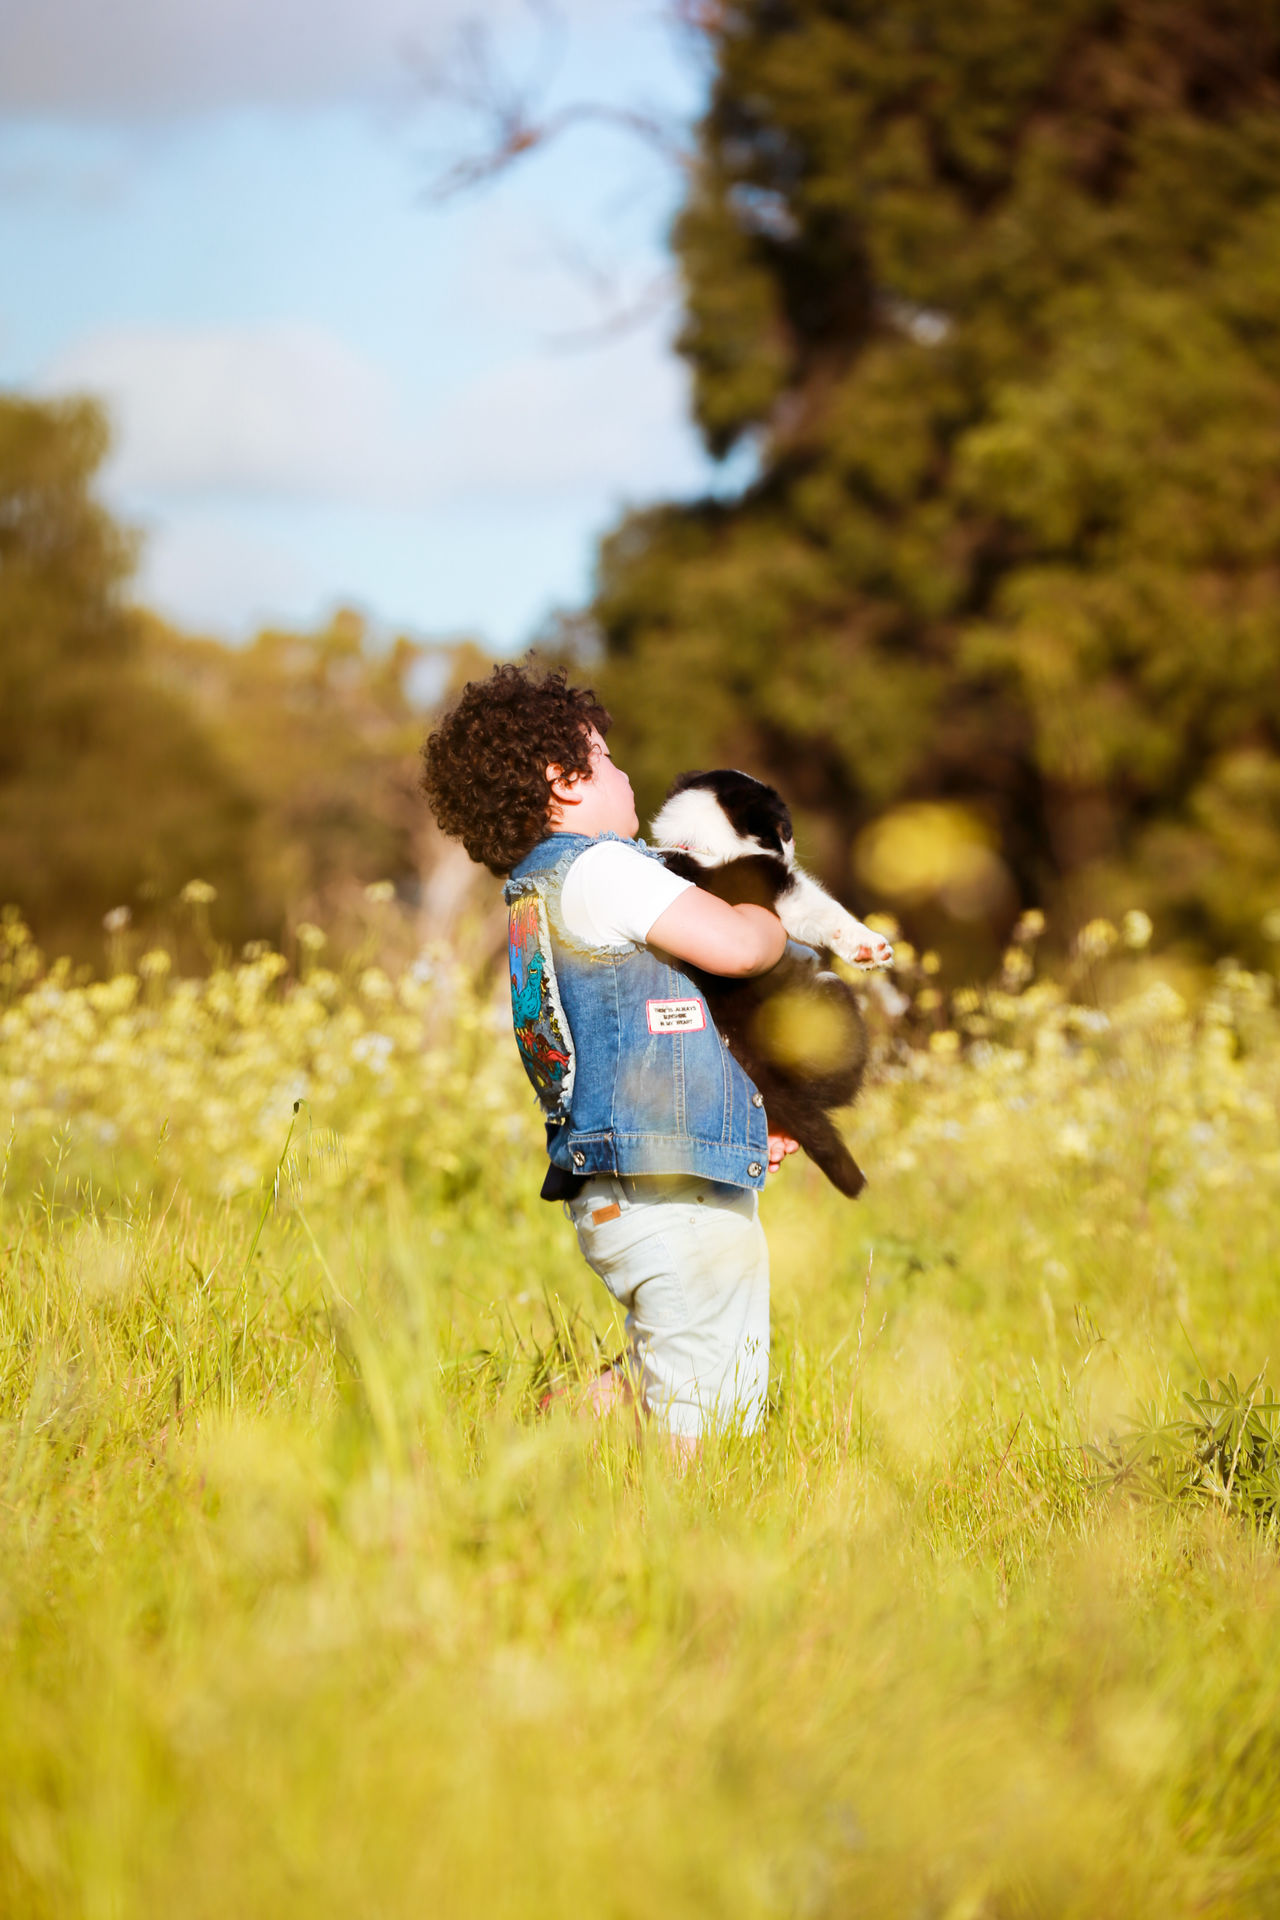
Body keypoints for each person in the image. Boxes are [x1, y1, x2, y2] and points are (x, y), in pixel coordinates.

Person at [420, 661, 803, 1445]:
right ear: (564, 782)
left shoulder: (540, 896)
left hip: (622, 1183)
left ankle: (536, 1443)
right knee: (713, 1403)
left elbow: (643, 1033)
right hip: (668, 1189)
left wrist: (739, 1117)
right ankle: (685, 1532)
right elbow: (733, 947)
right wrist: (770, 921)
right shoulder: (602, 869)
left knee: (671, 1362)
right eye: (608, 757)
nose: (628, 775)